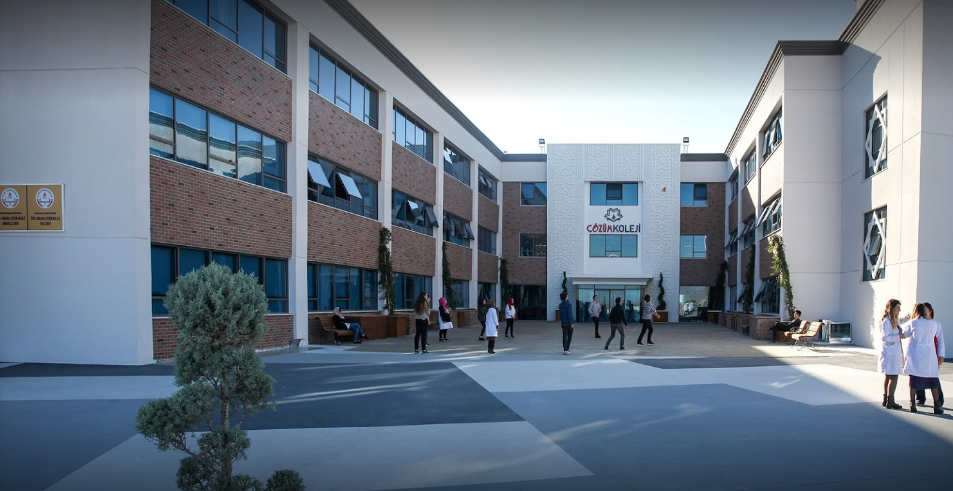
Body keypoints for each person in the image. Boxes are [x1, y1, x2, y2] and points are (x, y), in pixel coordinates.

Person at [902, 303, 945, 414]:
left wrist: (896, 325)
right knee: (933, 379)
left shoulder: (912, 323)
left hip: (916, 355)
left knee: (914, 380)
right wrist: (941, 355)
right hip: (930, 355)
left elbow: (904, 335)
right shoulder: (935, 324)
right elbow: (940, 340)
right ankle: (937, 405)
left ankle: (912, 404)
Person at [875, 299, 905, 409]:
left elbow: (900, 321)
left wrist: (909, 316)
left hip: (891, 353)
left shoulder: (892, 320)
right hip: (890, 353)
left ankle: (886, 399)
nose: (899, 310)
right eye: (897, 308)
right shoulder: (887, 322)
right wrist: (899, 336)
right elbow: (885, 338)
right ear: (891, 309)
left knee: (888, 376)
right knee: (894, 376)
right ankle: (890, 400)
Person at [915, 302, 944, 406]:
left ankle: (939, 399)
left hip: (932, 355)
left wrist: (941, 355)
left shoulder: (936, 324)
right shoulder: (917, 323)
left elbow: (940, 341)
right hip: (920, 354)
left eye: (925, 310)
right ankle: (920, 398)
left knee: (933, 377)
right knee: (918, 375)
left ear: (930, 311)